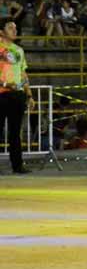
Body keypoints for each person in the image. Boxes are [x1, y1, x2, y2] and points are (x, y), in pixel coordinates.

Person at [0, 18, 35, 174]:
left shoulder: (19, 50)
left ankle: (17, 165)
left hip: (17, 95)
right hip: (1, 94)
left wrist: (29, 94)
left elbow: (23, 73)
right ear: (1, 31)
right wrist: (6, 85)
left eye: (15, 27)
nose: (14, 30)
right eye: (10, 28)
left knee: (15, 132)